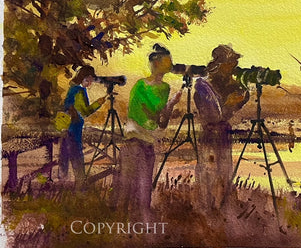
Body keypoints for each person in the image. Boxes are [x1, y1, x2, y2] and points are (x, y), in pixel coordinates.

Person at [111, 44, 182, 220]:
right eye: (168, 60)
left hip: (149, 142)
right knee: (126, 188)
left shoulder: (165, 88)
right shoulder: (141, 85)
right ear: (156, 63)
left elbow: (161, 121)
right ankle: (121, 225)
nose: (171, 63)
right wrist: (168, 109)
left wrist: (171, 105)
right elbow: (150, 114)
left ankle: (142, 225)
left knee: (144, 188)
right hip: (134, 141)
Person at [193, 44, 249, 210]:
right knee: (208, 173)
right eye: (229, 64)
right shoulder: (204, 89)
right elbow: (211, 116)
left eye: (233, 64)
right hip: (210, 136)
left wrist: (241, 99)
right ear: (219, 66)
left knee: (225, 173)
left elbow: (227, 115)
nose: (232, 68)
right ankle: (206, 209)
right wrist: (228, 103)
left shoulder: (230, 86)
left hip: (224, 134)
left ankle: (222, 208)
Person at [59, 65, 106, 187]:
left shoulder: (73, 89)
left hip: (69, 129)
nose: (90, 83)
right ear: (82, 78)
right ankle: (80, 185)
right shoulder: (79, 91)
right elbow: (85, 112)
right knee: (77, 157)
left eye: (91, 80)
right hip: (73, 130)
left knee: (66, 157)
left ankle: (66, 184)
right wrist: (99, 103)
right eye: (87, 80)